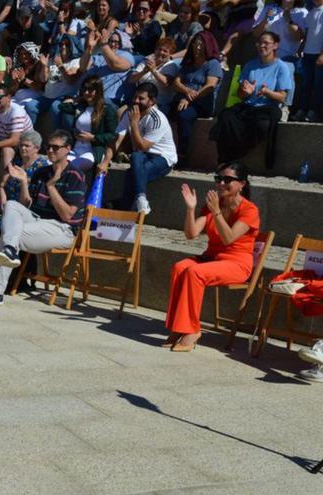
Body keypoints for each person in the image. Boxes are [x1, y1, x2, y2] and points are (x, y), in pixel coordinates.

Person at [0, 129, 86, 308]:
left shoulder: (75, 176)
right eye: (49, 147)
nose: (51, 151)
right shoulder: (41, 172)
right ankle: (8, 251)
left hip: (62, 228)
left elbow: (67, 215)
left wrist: (52, 187)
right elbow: (24, 206)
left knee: (10, 235)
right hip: (37, 220)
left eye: (56, 147)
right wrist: (24, 182)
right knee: (12, 206)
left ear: (68, 149)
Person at [163, 163, 259, 351]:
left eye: (228, 180)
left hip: (237, 263)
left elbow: (228, 237)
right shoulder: (213, 206)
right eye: (219, 179)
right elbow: (191, 234)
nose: (221, 183)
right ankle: (178, 326)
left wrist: (216, 212)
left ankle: (191, 330)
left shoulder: (249, 210)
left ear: (242, 184)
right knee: (180, 267)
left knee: (194, 272)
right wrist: (191, 209)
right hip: (212, 258)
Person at [209, 32, 293, 170]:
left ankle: (238, 153)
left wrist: (267, 92)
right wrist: (245, 91)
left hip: (268, 107)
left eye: (266, 43)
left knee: (262, 125)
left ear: (275, 45)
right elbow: (241, 95)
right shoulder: (250, 65)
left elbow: (282, 96)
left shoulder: (281, 67)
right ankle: (223, 160)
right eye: (260, 42)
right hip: (249, 106)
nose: (262, 46)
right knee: (226, 116)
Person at [107, 82, 177, 215]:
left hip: (162, 158)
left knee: (133, 173)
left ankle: (124, 206)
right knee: (135, 157)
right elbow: (117, 139)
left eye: (141, 98)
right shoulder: (130, 112)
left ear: (152, 101)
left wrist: (134, 123)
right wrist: (105, 162)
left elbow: (142, 146)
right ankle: (140, 199)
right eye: (135, 97)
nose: (136, 101)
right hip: (141, 156)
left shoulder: (157, 119)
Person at [0, 130, 47, 273]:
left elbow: (29, 199)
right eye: (21, 145)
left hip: (27, 208)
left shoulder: (42, 166)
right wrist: (3, 198)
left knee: (8, 224)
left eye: (27, 146)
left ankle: (2, 264)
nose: (23, 148)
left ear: (37, 148)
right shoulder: (16, 162)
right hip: (8, 202)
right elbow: (2, 184)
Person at [172, 31, 223, 160]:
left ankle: (183, 153)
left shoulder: (213, 64)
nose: (198, 47)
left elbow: (210, 86)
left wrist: (189, 98)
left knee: (184, 115)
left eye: (201, 44)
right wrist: (187, 92)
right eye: (195, 44)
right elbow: (176, 82)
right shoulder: (188, 62)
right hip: (183, 98)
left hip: (203, 102)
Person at [60, 75, 118, 173]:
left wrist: (93, 137)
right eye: (84, 89)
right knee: (59, 165)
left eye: (90, 90)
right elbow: (62, 106)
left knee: (72, 167)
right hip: (76, 148)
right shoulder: (81, 107)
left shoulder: (107, 110)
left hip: (92, 150)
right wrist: (77, 99)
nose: (86, 93)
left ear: (98, 91)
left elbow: (113, 136)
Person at [0, 84, 33, 173]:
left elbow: (15, 140)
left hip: (25, 145)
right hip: (7, 141)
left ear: (9, 97)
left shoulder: (16, 112)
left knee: (6, 151)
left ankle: (4, 185)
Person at [78, 29, 134, 106]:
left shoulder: (127, 55)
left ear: (122, 44)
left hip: (111, 100)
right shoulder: (98, 56)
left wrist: (104, 45)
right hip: (89, 97)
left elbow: (115, 64)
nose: (112, 44)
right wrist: (89, 48)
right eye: (110, 41)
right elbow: (82, 68)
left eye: (116, 42)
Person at [128, 37, 178, 114]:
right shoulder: (146, 61)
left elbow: (166, 83)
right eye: (159, 49)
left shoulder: (171, 66)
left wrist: (153, 70)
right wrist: (144, 71)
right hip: (139, 101)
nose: (161, 52)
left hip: (159, 104)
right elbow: (131, 80)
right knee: (120, 112)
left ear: (170, 54)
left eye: (165, 51)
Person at [295, 0, 323, 122]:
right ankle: (302, 110)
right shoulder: (310, 12)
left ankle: (314, 112)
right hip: (307, 54)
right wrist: (301, 48)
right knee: (306, 85)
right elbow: (308, 34)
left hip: (318, 54)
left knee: (318, 85)